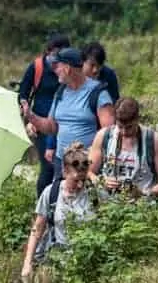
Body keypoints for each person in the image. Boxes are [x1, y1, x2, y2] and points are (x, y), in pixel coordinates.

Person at [26, 46, 115, 181]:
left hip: (86, 165)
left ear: (67, 68)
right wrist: (30, 116)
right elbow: (51, 127)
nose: (55, 71)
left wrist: (92, 164)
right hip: (61, 163)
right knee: (59, 200)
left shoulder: (98, 93)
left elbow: (110, 133)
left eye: (57, 66)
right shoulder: (60, 92)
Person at [22, 142, 98, 276]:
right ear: (64, 172)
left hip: (88, 263)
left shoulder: (94, 193)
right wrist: (27, 263)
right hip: (57, 261)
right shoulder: (51, 192)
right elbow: (37, 230)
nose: (80, 184)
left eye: (83, 179)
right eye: (75, 180)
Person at [88, 97, 158, 200]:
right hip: (107, 204)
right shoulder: (103, 136)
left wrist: (145, 194)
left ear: (137, 119)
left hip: (141, 204)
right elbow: (88, 172)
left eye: (129, 127)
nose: (124, 132)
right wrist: (100, 181)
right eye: (120, 127)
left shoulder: (153, 140)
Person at [18, 32, 69, 197]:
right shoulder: (38, 67)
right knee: (48, 167)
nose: (58, 57)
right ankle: (43, 207)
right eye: (55, 52)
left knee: (64, 167)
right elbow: (23, 92)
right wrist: (28, 115)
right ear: (48, 51)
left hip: (63, 123)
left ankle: (61, 204)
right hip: (41, 124)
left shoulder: (68, 68)